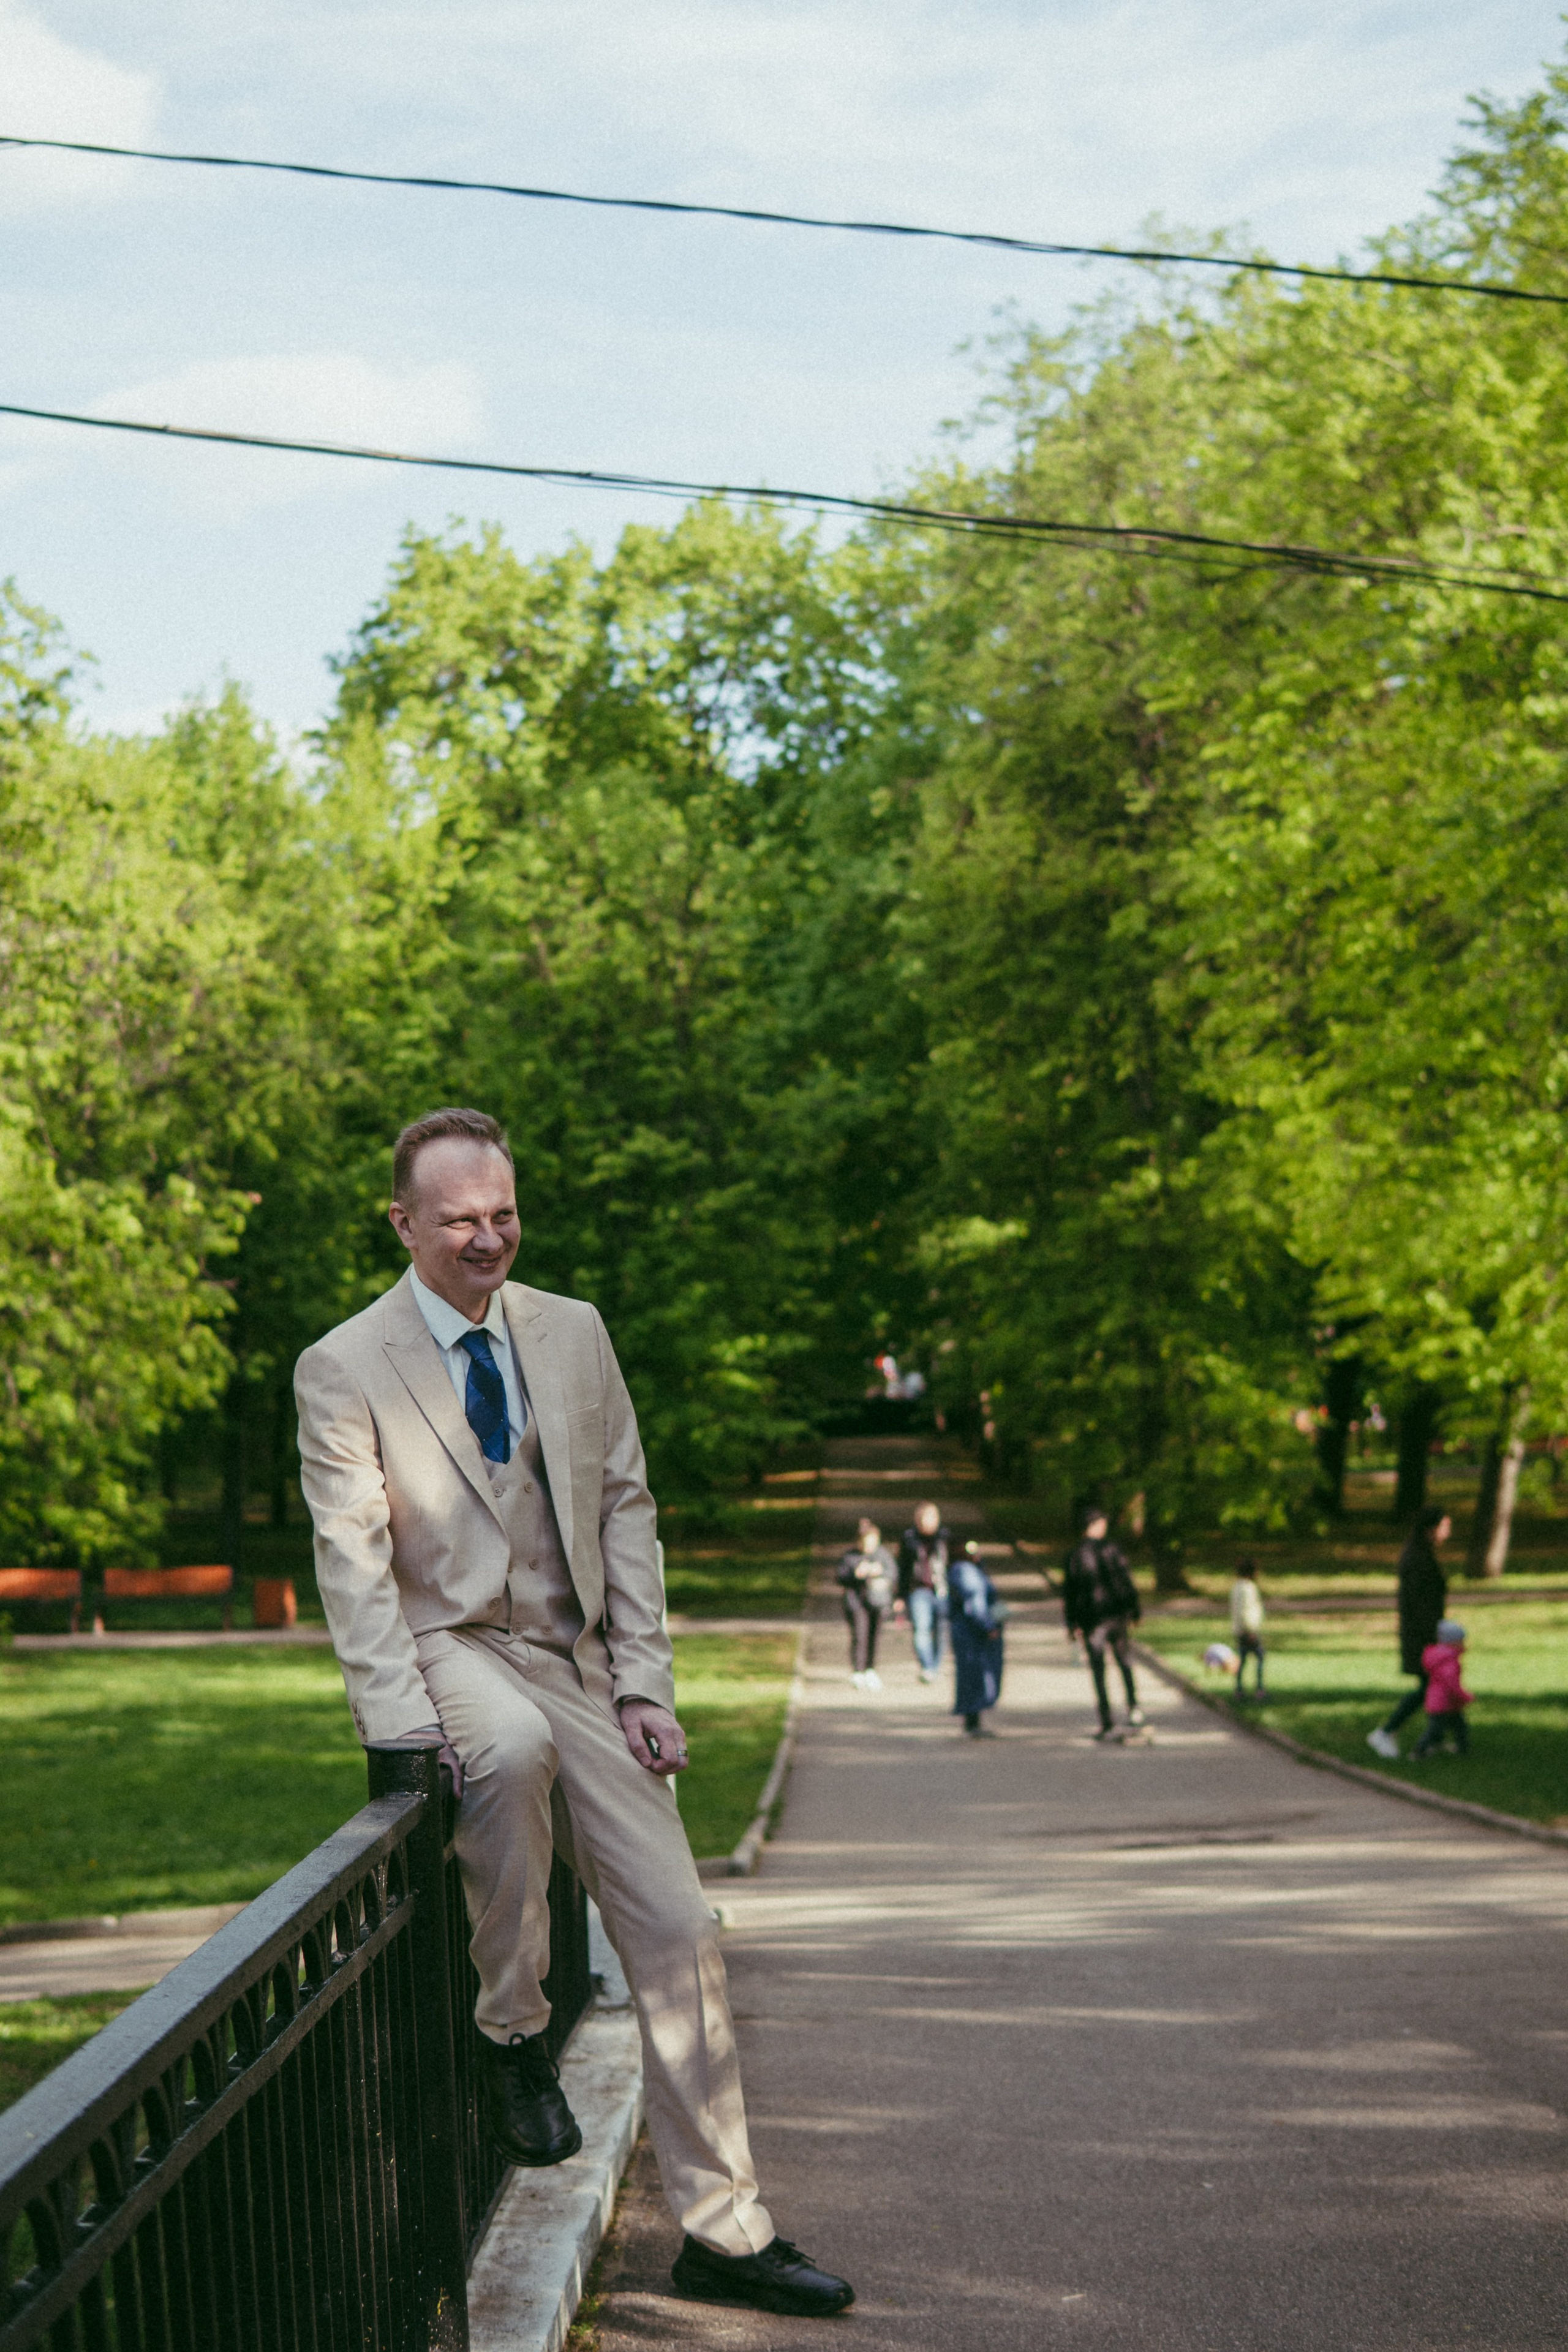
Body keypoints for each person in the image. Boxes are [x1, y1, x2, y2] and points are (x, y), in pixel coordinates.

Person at [294, 1108, 851, 2321]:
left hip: (581, 1659)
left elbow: (625, 1507)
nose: (487, 1240)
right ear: (403, 1224)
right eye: (458, 1224)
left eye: (502, 1216)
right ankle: (510, 2031)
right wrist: (395, 1723)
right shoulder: (343, 1365)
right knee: (506, 1748)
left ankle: (724, 2229)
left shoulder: (575, 1331)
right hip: (451, 1643)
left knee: (677, 1927)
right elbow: (351, 1563)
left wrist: (645, 1682)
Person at [1367, 1504, 1452, 1760]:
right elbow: (1418, 1603)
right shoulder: (1417, 1559)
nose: (1448, 1533)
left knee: (1440, 1685)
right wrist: (1433, 1638)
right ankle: (1386, 1731)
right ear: (1432, 1529)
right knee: (1432, 1686)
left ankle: (1436, 1738)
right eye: (1445, 1527)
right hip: (1421, 1636)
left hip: (1425, 1633)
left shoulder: (1421, 1555)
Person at [1062, 1507, 1144, 1740]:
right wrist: (1134, 1610)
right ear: (1096, 1525)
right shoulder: (1112, 1550)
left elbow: (1069, 1593)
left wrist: (1071, 1623)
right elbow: (1126, 1580)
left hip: (1091, 1620)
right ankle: (1134, 1708)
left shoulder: (1075, 1556)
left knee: (1099, 1670)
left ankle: (1107, 1720)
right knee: (1124, 1662)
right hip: (1116, 1616)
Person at [949, 1539, 1005, 1735]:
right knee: (974, 1674)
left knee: (978, 1674)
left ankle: (975, 1721)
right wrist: (988, 1626)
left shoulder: (976, 1572)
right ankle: (972, 1722)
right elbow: (975, 1603)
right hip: (971, 1632)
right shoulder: (965, 1572)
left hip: (973, 1631)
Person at [837, 1516, 898, 1689]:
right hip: (856, 1603)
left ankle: (871, 1668)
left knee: (874, 1636)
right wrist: (856, 1575)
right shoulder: (850, 1557)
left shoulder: (882, 1555)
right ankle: (858, 1670)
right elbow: (840, 1577)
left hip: (877, 1603)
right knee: (859, 1635)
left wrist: (879, 1573)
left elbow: (893, 1574)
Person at [897, 1501, 952, 1683]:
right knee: (921, 1629)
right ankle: (927, 1667)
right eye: (923, 1518)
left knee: (941, 1630)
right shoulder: (909, 1539)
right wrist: (900, 1596)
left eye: (930, 1518)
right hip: (918, 1591)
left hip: (942, 1591)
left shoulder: (946, 1538)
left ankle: (935, 1667)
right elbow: (903, 1569)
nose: (927, 1522)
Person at [1412, 1619, 1472, 1758]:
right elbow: (1451, 1684)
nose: (1463, 1644)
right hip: (1444, 1702)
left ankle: (1463, 1749)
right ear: (1452, 1642)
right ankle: (1419, 1751)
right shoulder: (1448, 1661)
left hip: (1441, 1701)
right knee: (1436, 1730)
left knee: (1459, 1726)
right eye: (1461, 1641)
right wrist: (1464, 1696)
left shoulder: (1440, 1658)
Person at [1229, 1559, 1266, 1698]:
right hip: (1248, 1630)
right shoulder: (1248, 1588)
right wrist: (1250, 1630)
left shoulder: (1237, 1587)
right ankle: (1260, 1689)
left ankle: (1239, 1690)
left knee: (1242, 1659)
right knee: (1260, 1658)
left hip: (1239, 1630)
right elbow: (1246, 1610)